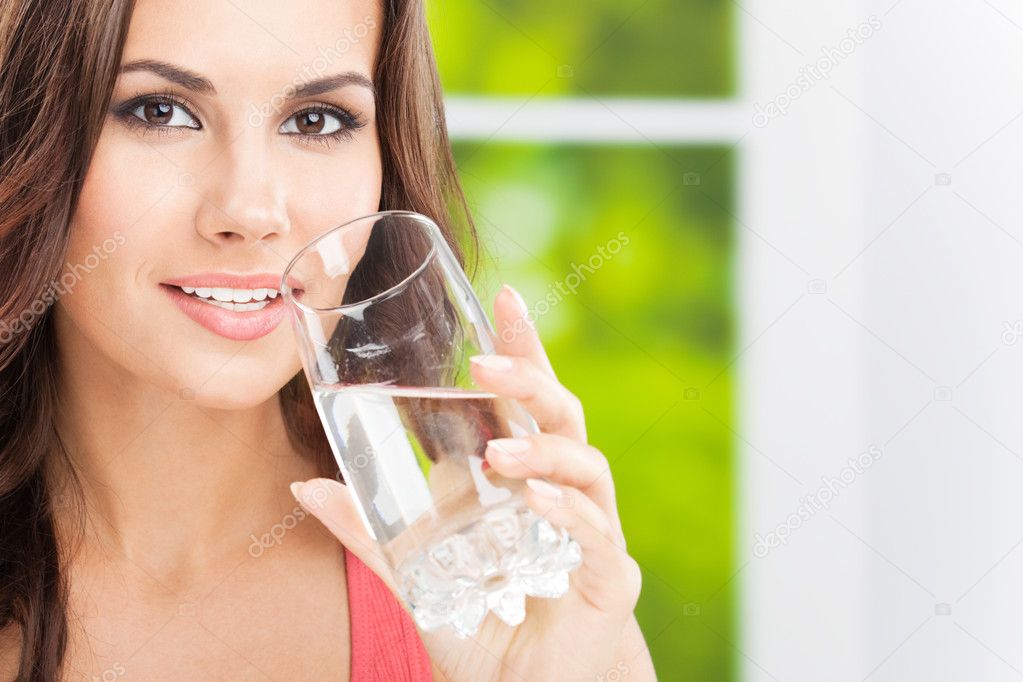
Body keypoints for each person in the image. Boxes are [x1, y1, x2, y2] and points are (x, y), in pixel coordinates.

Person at [0, 0, 657, 679]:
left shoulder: (492, 591)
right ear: (26, 131)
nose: (250, 211)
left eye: (314, 120)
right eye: (160, 112)